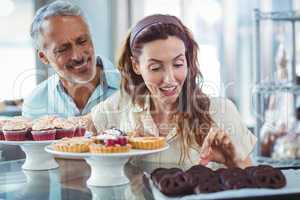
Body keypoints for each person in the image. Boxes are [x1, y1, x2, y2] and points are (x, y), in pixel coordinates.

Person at [87, 14, 257, 168]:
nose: (169, 79)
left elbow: (254, 185)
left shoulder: (222, 112)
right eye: (155, 68)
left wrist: (233, 161)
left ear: (188, 60)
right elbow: (80, 158)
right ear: (136, 66)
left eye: (178, 64)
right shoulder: (114, 110)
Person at [22, 0, 119, 119]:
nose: (77, 56)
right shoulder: (35, 104)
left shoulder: (133, 86)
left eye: (82, 41)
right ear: (44, 57)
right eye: (62, 49)